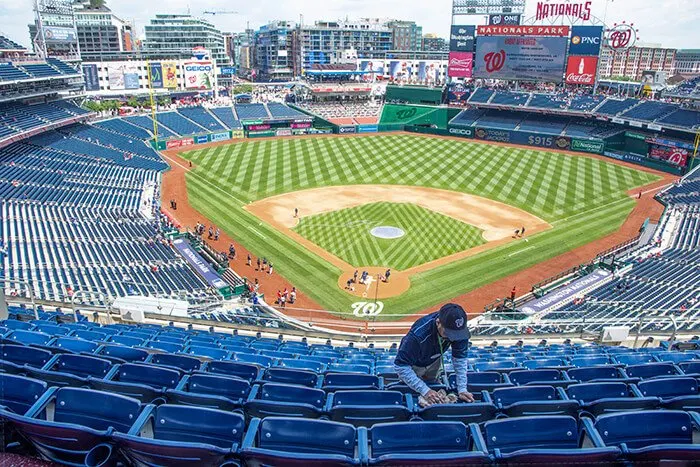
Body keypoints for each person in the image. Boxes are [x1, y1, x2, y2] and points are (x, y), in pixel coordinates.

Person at [394, 303, 473, 405]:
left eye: (456, 334)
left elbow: (460, 359)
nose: (452, 337)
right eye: (448, 333)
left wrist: (462, 389)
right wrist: (425, 391)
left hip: (435, 358)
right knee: (412, 392)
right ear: (438, 322)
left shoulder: (460, 331)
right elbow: (401, 366)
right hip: (414, 363)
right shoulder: (418, 335)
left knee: (433, 384)